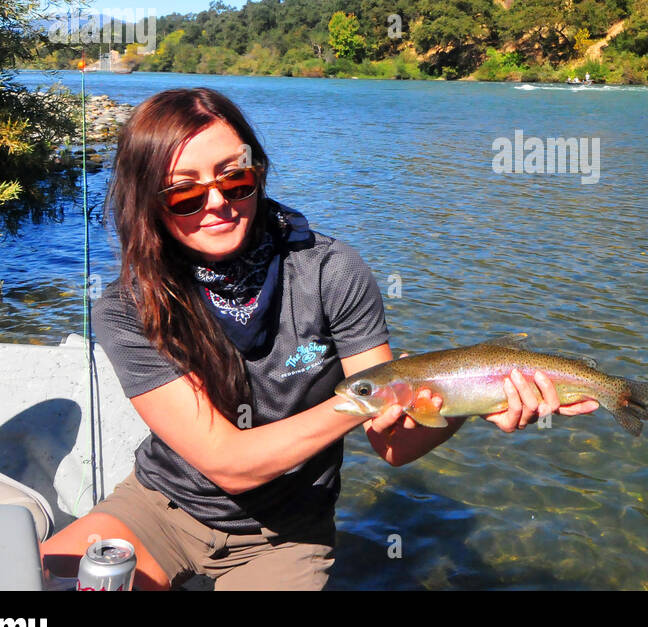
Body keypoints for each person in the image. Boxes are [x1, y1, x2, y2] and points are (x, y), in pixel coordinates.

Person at [40, 87, 597, 590]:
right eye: (183, 194)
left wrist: (467, 402)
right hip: (159, 508)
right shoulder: (128, 304)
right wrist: (375, 395)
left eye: (235, 177)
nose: (218, 203)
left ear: (258, 171)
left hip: (286, 535)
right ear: (148, 203)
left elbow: (394, 445)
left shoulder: (331, 270)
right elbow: (228, 462)